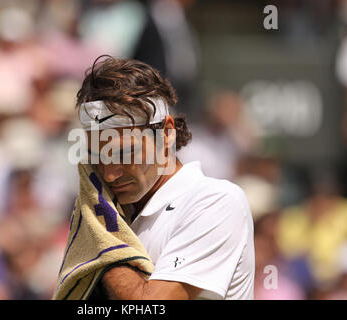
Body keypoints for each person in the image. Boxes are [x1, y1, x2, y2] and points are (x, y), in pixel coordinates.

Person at [75, 55, 255, 300]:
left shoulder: (217, 201)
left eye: (125, 152)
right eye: (97, 156)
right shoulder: (109, 209)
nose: (109, 173)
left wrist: (102, 236)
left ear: (167, 133)